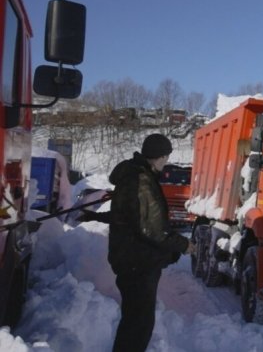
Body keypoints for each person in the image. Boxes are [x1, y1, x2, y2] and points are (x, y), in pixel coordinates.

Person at [79, 134, 192, 352]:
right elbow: (153, 229)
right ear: (158, 156)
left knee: (134, 320)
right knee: (139, 324)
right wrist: (184, 245)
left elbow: (126, 216)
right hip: (139, 262)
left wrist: (95, 217)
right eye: (165, 157)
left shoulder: (132, 176)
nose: (166, 162)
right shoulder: (142, 181)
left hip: (132, 260)